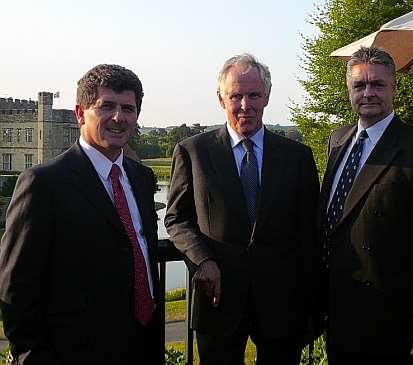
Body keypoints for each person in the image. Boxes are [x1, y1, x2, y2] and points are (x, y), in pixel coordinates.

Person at [165, 53, 321, 365]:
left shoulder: (297, 157)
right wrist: (203, 259)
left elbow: (310, 234)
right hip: (217, 299)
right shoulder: (193, 151)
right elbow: (176, 219)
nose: (245, 105)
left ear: (267, 96)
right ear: (220, 98)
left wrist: (314, 306)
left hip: (281, 304)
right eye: (236, 95)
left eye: (253, 95)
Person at [0, 64, 162, 365]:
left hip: (141, 345)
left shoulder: (140, 177)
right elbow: (16, 290)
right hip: (75, 352)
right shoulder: (44, 183)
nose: (118, 117)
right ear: (80, 112)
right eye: (106, 106)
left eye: (128, 108)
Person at [319, 46, 413, 365]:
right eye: (359, 86)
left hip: (391, 322)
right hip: (338, 316)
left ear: (394, 87)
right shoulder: (338, 141)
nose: (368, 93)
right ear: (349, 91)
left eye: (377, 84)